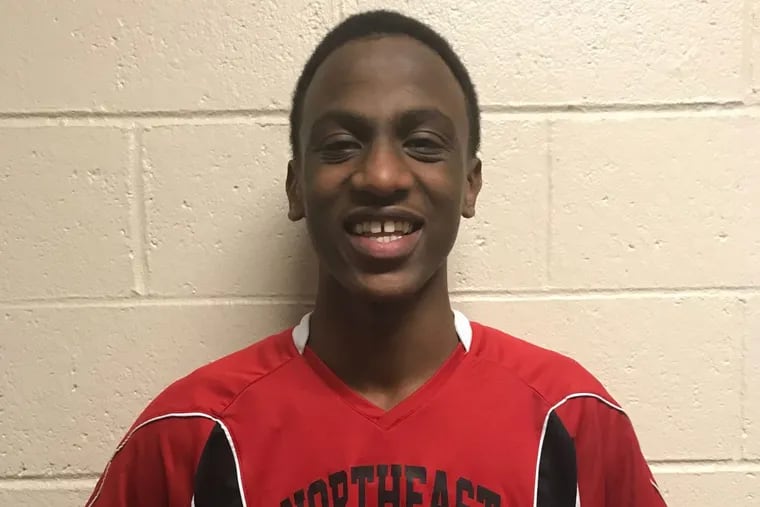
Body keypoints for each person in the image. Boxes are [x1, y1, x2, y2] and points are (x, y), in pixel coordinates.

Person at [86, 10, 666, 507]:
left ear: (469, 185)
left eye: (423, 144)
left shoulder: (572, 420)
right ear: (296, 187)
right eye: (341, 146)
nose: (381, 176)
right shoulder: (188, 435)